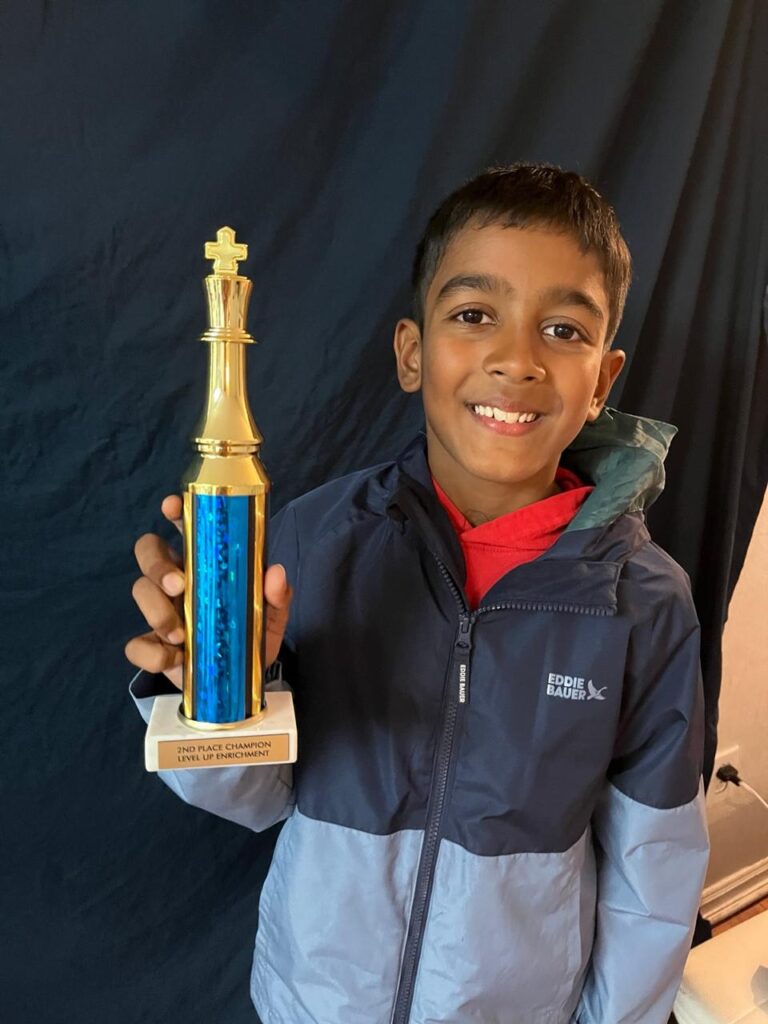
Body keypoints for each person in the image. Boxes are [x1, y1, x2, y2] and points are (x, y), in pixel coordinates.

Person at [125, 162, 710, 1024]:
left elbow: (651, 872)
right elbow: (252, 801)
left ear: (603, 382)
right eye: (474, 316)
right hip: (312, 1003)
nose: (516, 359)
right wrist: (216, 700)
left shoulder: (644, 604)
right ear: (412, 353)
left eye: (563, 329)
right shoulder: (315, 543)